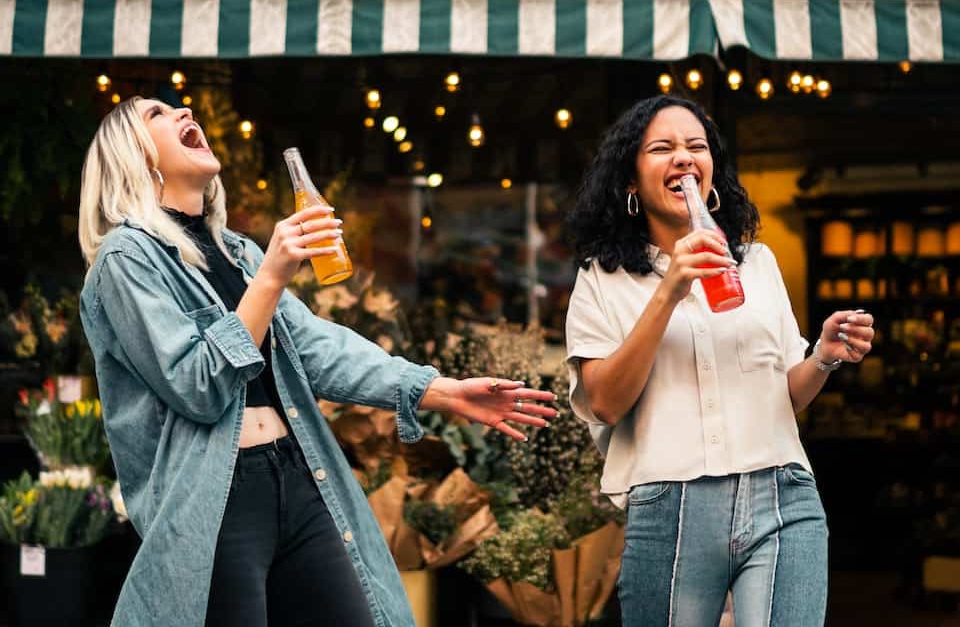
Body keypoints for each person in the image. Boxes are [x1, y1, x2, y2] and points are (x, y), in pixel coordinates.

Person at [77, 96, 557, 627]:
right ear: (134, 156)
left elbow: (317, 349)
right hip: (212, 500)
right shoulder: (126, 259)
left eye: (180, 109)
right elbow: (196, 385)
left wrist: (439, 390)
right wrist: (272, 277)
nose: (184, 114)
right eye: (159, 115)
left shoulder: (237, 251)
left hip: (299, 473)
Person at [564, 95, 874, 626]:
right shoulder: (603, 279)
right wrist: (670, 291)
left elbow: (786, 393)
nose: (684, 158)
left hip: (783, 493)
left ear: (710, 177)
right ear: (631, 183)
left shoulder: (755, 264)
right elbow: (604, 403)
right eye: (662, 148)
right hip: (671, 507)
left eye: (697, 147)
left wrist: (822, 356)